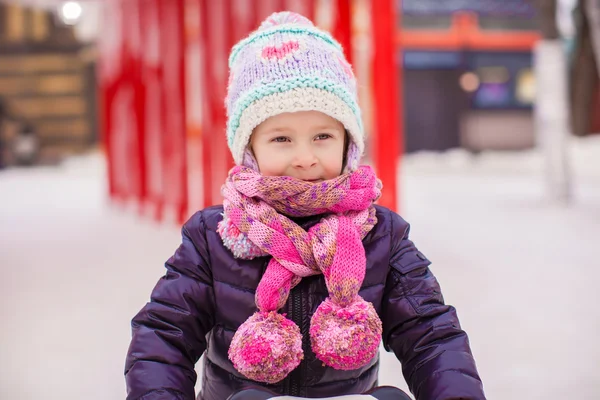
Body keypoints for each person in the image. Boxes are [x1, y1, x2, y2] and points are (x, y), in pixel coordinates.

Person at [125, 11, 485, 400]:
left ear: (348, 143)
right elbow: (164, 335)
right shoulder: (213, 236)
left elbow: (431, 334)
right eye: (281, 139)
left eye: (322, 136)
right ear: (250, 150)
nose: (305, 158)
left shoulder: (381, 234)